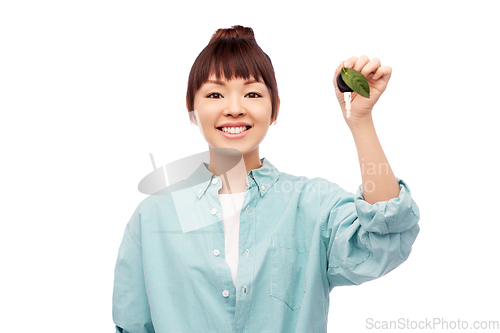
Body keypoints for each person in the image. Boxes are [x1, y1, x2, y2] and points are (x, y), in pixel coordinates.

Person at [112, 25, 420, 333]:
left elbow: (386, 239)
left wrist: (361, 121)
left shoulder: (312, 204)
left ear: (274, 110)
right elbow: (132, 326)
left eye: (252, 93)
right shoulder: (153, 217)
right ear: (193, 110)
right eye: (215, 93)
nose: (234, 108)